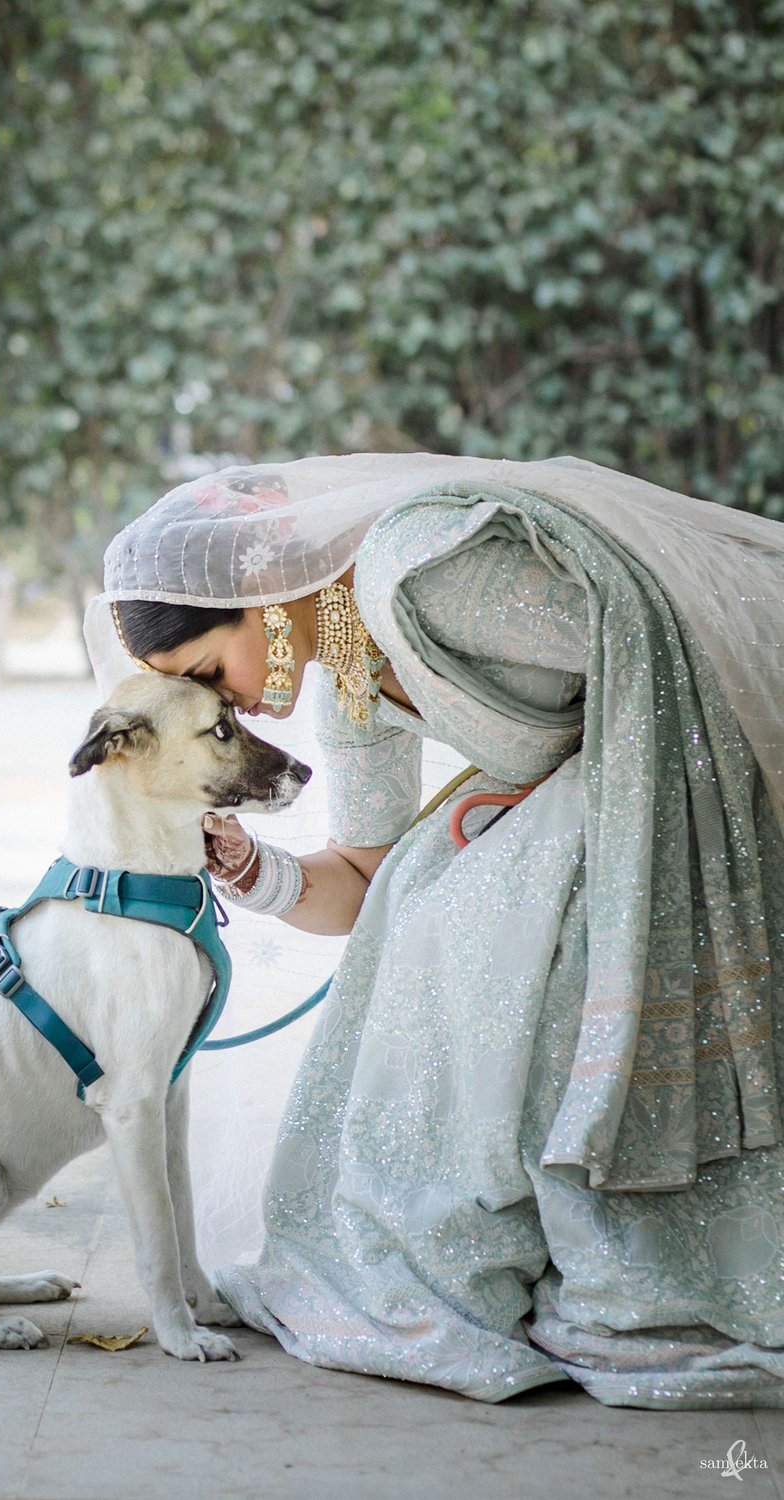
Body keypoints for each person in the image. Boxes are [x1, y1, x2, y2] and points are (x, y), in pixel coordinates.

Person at [83, 452, 784, 1408]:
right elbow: (365, 883)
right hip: (604, 801)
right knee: (421, 886)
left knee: (468, 895)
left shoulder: (416, 567)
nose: (229, 704)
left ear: (256, 593)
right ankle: (442, 1239)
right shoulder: (350, 673)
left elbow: (658, 644)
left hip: (694, 769)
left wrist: (531, 800)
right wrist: (253, 871)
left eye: (211, 670)